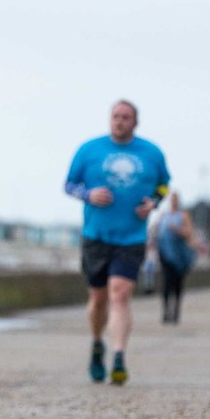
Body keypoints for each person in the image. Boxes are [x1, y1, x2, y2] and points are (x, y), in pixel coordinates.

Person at [65, 100, 170, 384]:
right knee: (98, 299)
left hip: (132, 236)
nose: (120, 121)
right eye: (116, 116)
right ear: (110, 119)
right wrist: (89, 195)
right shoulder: (89, 150)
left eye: (126, 117)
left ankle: (119, 355)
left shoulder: (152, 153)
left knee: (120, 293)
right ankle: (97, 343)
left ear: (135, 122)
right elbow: (69, 184)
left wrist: (154, 202)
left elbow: (164, 184)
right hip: (96, 236)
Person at [152, 191, 195, 324]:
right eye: (172, 200)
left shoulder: (183, 215)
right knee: (166, 282)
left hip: (179, 255)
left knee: (177, 284)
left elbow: (189, 233)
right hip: (165, 254)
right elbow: (154, 230)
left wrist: (177, 229)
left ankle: (176, 311)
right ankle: (166, 311)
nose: (173, 202)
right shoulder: (164, 216)